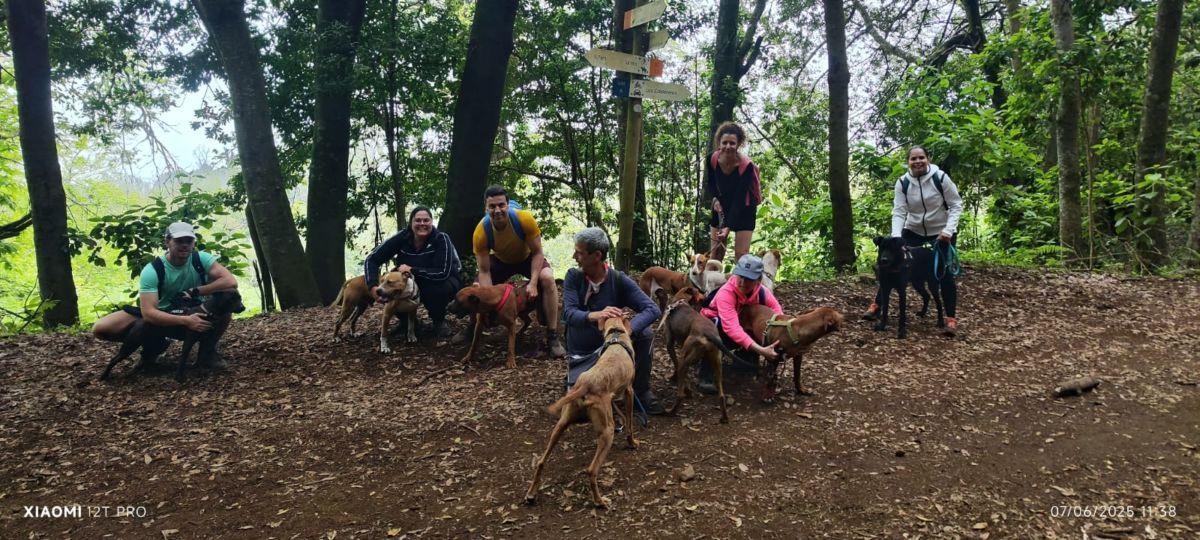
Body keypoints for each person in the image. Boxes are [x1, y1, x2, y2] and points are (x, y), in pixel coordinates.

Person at [92, 222, 239, 368]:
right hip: (161, 314)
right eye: (179, 241)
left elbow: (230, 282)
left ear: (194, 243)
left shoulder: (201, 259)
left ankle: (207, 353)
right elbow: (149, 313)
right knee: (102, 328)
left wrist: (196, 291)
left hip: (193, 310)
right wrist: (186, 321)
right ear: (167, 241)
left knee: (227, 302)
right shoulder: (153, 270)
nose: (184, 245)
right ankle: (154, 345)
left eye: (189, 241)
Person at [863, 145, 965, 336]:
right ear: (908, 162)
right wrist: (896, 236)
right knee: (892, 265)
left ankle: (950, 319)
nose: (918, 161)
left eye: (921, 158)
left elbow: (956, 204)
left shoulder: (940, 178)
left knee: (943, 274)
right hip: (913, 230)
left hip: (941, 232)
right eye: (913, 159)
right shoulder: (903, 183)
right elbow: (899, 210)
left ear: (928, 159)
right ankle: (877, 305)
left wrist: (948, 230)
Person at [453, 185, 566, 357]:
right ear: (486, 208)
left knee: (548, 278)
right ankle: (474, 326)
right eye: (492, 206)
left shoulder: (524, 219)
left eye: (501, 205)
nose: (497, 210)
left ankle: (552, 336)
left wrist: (533, 283)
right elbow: (484, 270)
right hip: (501, 260)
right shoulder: (481, 232)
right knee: (477, 288)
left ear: (507, 204)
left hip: (527, 258)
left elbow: (537, 253)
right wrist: (489, 299)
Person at [561, 227, 664, 414]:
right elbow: (569, 314)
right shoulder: (573, 277)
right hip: (583, 347)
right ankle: (577, 375)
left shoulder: (618, 280)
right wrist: (596, 315)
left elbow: (652, 309)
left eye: (580, 253)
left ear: (597, 256)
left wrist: (627, 331)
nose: (574, 257)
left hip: (612, 346)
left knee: (645, 334)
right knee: (580, 409)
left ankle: (641, 391)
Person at [363, 206, 462, 339]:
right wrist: (372, 287)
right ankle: (407, 322)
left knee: (435, 289)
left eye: (426, 220)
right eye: (418, 220)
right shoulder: (402, 237)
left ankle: (438, 321)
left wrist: (412, 270)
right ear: (411, 223)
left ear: (431, 222)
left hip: (444, 280)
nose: (422, 224)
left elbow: (442, 273)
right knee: (395, 286)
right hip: (410, 280)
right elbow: (371, 259)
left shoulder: (441, 239)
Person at [696, 254, 781, 394]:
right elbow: (731, 328)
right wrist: (760, 350)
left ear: (758, 280)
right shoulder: (726, 293)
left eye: (748, 279)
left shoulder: (762, 292)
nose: (742, 282)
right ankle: (706, 374)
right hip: (715, 323)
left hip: (740, 323)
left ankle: (744, 361)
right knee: (715, 333)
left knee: (756, 325)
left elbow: (777, 314)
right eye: (740, 276)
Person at [706, 121, 763, 266]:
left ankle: (740, 280)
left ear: (738, 144)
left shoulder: (746, 166)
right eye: (724, 142)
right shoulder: (712, 159)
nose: (728, 146)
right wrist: (715, 200)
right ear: (719, 143)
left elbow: (740, 197)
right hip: (721, 206)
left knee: (741, 256)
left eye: (732, 143)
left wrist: (728, 226)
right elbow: (711, 184)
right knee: (716, 253)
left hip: (744, 208)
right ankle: (712, 281)